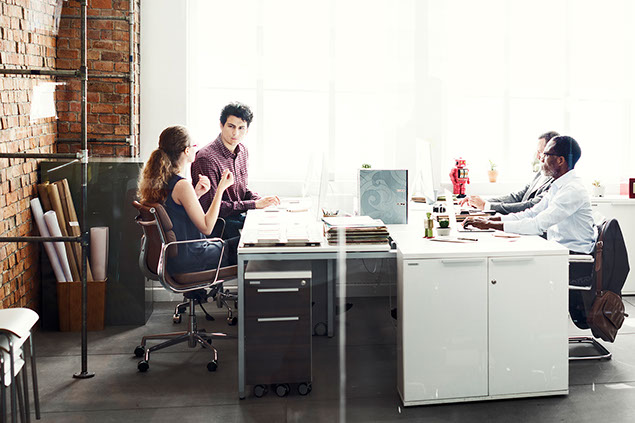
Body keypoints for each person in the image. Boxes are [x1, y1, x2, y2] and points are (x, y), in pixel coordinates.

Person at [463, 135, 596, 254]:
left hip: (574, 257)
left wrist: (489, 225)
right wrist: (491, 221)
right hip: (558, 250)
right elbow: (531, 214)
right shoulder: (558, 185)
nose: (541, 159)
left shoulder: (572, 190)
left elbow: (537, 225)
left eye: (545, 154)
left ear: (560, 160)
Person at [137, 125, 239, 274]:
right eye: (194, 146)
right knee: (245, 247)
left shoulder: (163, 180)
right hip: (193, 258)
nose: (195, 149)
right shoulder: (182, 185)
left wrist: (195, 194)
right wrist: (220, 190)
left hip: (178, 259)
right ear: (186, 150)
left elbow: (174, 210)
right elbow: (206, 227)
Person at [191, 102, 280, 239]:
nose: (235, 133)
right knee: (268, 238)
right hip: (220, 227)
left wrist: (261, 200)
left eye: (241, 128)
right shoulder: (206, 158)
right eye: (231, 126)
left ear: (247, 130)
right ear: (221, 125)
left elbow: (241, 190)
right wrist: (254, 204)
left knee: (276, 224)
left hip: (238, 217)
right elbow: (211, 207)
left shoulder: (242, 150)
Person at [459, 131, 559, 214]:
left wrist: (486, 205)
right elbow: (516, 197)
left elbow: (531, 205)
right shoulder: (541, 173)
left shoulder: (556, 181)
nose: (538, 157)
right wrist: (479, 201)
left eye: (541, 152)